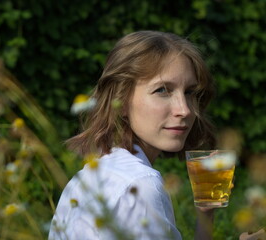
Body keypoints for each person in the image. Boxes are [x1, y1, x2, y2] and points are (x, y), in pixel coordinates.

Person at [49, 30, 216, 240]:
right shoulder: (141, 185)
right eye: (162, 90)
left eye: (190, 92)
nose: (185, 110)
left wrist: (205, 214)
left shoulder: (89, 175)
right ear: (121, 100)